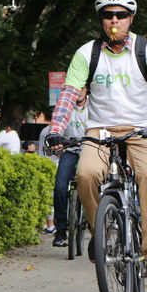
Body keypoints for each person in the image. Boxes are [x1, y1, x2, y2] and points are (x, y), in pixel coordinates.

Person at [46, 0, 147, 277]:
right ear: (101, 19)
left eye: (121, 15)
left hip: (142, 129)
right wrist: (56, 130)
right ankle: (100, 236)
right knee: (85, 174)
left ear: (131, 18)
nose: (114, 21)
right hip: (100, 130)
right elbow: (68, 96)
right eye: (108, 15)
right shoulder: (87, 53)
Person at [52, 87, 88, 247]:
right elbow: (56, 127)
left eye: (82, 88)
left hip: (90, 151)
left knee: (96, 183)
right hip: (70, 151)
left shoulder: (95, 106)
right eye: (77, 88)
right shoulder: (64, 107)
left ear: (87, 90)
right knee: (60, 187)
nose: (79, 91)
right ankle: (60, 230)